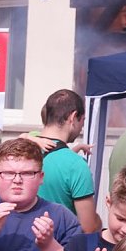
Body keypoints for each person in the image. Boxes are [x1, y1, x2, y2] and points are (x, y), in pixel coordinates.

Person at [35, 89, 102, 233]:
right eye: (82, 121)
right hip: (59, 250)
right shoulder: (76, 165)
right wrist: (99, 222)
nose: (82, 128)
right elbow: (88, 227)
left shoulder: (21, 150)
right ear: (73, 117)